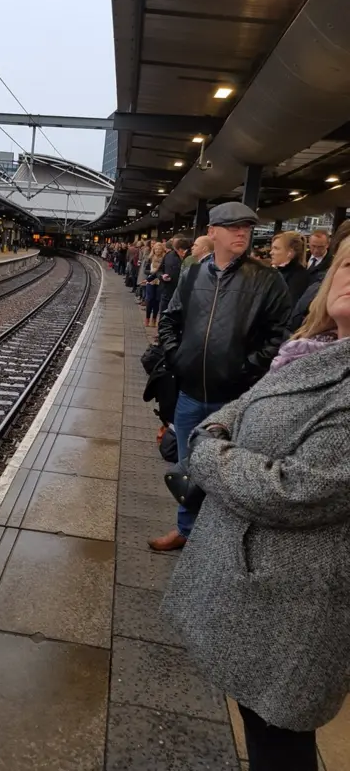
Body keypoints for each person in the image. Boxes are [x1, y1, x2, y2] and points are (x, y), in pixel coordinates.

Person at [162, 236, 350, 771]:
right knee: (262, 719)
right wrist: (219, 431)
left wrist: (209, 453)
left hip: (298, 602)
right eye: (349, 264)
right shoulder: (310, 350)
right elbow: (242, 406)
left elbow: (295, 489)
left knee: (279, 736)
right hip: (265, 590)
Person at [151, 201, 291, 551]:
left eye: (247, 227)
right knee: (188, 467)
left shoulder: (266, 280)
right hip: (189, 392)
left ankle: (217, 543)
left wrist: (244, 369)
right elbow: (170, 319)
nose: (242, 232)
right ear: (213, 232)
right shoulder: (193, 275)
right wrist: (177, 357)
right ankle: (186, 530)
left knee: (227, 474)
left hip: (234, 399)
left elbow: (280, 335)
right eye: (233, 226)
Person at [289, 220, 350, 332]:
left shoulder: (329, 267)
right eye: (313, 246)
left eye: (320, 247)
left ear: (327, 245)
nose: (316, 250)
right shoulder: (300, 260)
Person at [270, 231, 310, 308]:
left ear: (290, 252)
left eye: (276, 248)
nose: (271, 252)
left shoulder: (299, 277)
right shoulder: (274, 271)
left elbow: (289, 305)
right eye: (272, 248)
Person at [159, 235, 192, 315]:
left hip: (183, 297)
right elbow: (159, 270)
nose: (174, 244)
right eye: (173, 242)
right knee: (164, 318)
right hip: (167, 294)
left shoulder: (191, 257)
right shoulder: (169, 255)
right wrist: (162, 276)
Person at [143, 241, 165, 327]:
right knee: (150, 299)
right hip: (151, 281)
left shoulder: (164, 259)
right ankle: (147, 318)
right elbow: (145, 270)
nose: (158, 250)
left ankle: (154, 319)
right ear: (153, 250)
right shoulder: (150, 258)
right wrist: (152, 271)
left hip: (159, 282)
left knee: (157, 300)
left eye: (159, 249)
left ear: (162, 250)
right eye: (156, 249)